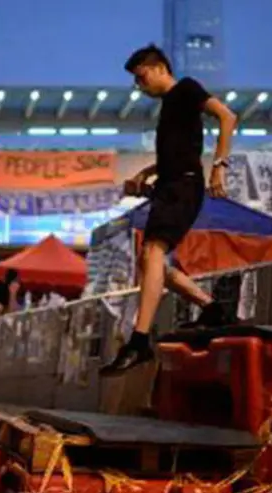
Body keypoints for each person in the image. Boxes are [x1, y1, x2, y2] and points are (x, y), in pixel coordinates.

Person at [100, 44, 239, 376]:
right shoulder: (168, 107)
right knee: (152, 263)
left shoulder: (186, 88)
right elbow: (174, 154)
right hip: (169, 186)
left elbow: (227, 116)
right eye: (136, 81)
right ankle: (211, 307)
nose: (140, 86)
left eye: (141, 77)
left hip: (183, 186)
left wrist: (220, 165)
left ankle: (138, 341)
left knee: (152, 253)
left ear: (160, 67)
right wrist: (145, 175)